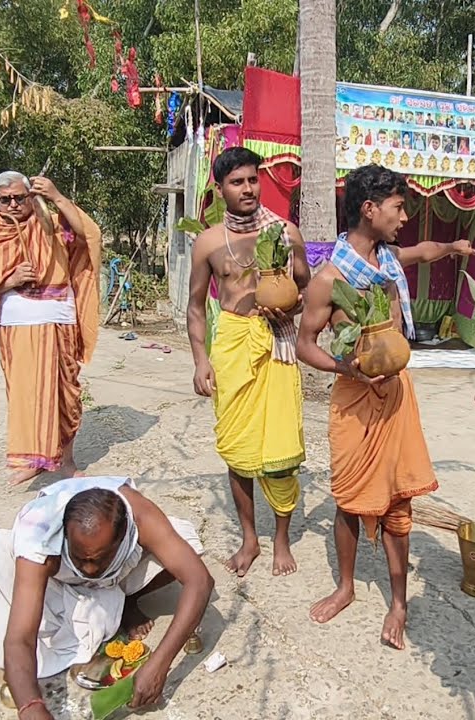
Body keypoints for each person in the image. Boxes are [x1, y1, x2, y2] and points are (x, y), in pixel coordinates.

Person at [296, 164, 475, 649]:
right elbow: (305, 345)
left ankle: (398, 602)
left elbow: (424, 251)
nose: (403, 218)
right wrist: (345, 369)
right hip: (354, 399)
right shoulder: (329, 280)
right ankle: (347, 587)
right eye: (398, 208)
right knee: (348, 499)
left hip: (397, 397)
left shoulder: (390, 259)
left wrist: (454, 248)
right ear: (368, 209)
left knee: (400, 502)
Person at [0, 476, 213, 718]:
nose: (88, 569)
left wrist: (159, 666)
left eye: (97, 559)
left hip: (116, 579)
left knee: (185, 542)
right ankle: (106, 608)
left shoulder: (139, 514)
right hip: (58, 585)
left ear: (123, 538)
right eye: (80, 557)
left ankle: (126, 602)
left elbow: (199, 580)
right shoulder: (40, 537)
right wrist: (31, 707)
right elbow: (19, 639)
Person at [186, 147, 311, 578]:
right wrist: (201, 361)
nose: (248, 189)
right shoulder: (207, 242)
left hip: (276, 344)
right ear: (219, 189)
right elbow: (196, 307)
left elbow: (305, 291)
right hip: (234, 346)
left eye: (253, 180)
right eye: (237, 182)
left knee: (280, 452)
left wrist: (287, 311)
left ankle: (280, 539)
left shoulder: (285, 232)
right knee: (238, 450)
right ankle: (249, 539)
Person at [0, 172, 102, 485]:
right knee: (26, 395)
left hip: (59, 315)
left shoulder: (52, 223)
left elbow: (89, 235)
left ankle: (66, 461)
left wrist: (56, 195)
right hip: (17, 321)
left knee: (66, 392)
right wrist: (9, 280)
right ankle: (33, 459)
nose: (13, 204)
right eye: (5, 199)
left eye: (19, 197)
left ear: (29, 195)